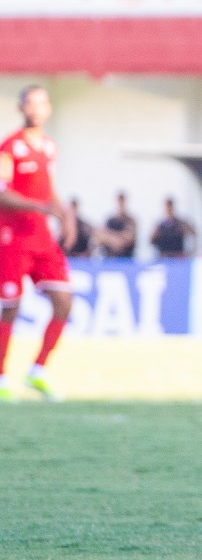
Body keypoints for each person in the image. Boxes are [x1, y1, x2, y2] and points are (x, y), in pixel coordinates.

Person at [0, 86, 76, 402]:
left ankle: (38, 371)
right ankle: (2, 377)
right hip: (12, 238)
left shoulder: (48, 147)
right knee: (10, 309)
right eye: (30, 103)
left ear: (48, 109)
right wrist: (39, 206)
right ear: (22, 108)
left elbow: (50, 189)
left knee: (64, 301)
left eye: (42, 103)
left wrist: (64, 214)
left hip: (41, 238)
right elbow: (3, 194)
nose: (36, 109)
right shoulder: (9, 147)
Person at [97, 191, 137, 258]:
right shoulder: (109, 221)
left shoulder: (131, 220)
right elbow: (99, 237)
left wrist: (109, 237)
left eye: (122, 202)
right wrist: (117, 239)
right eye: (119, 202)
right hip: (109, 259)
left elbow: (127, 239)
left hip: (126, 260)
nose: (120, 204)